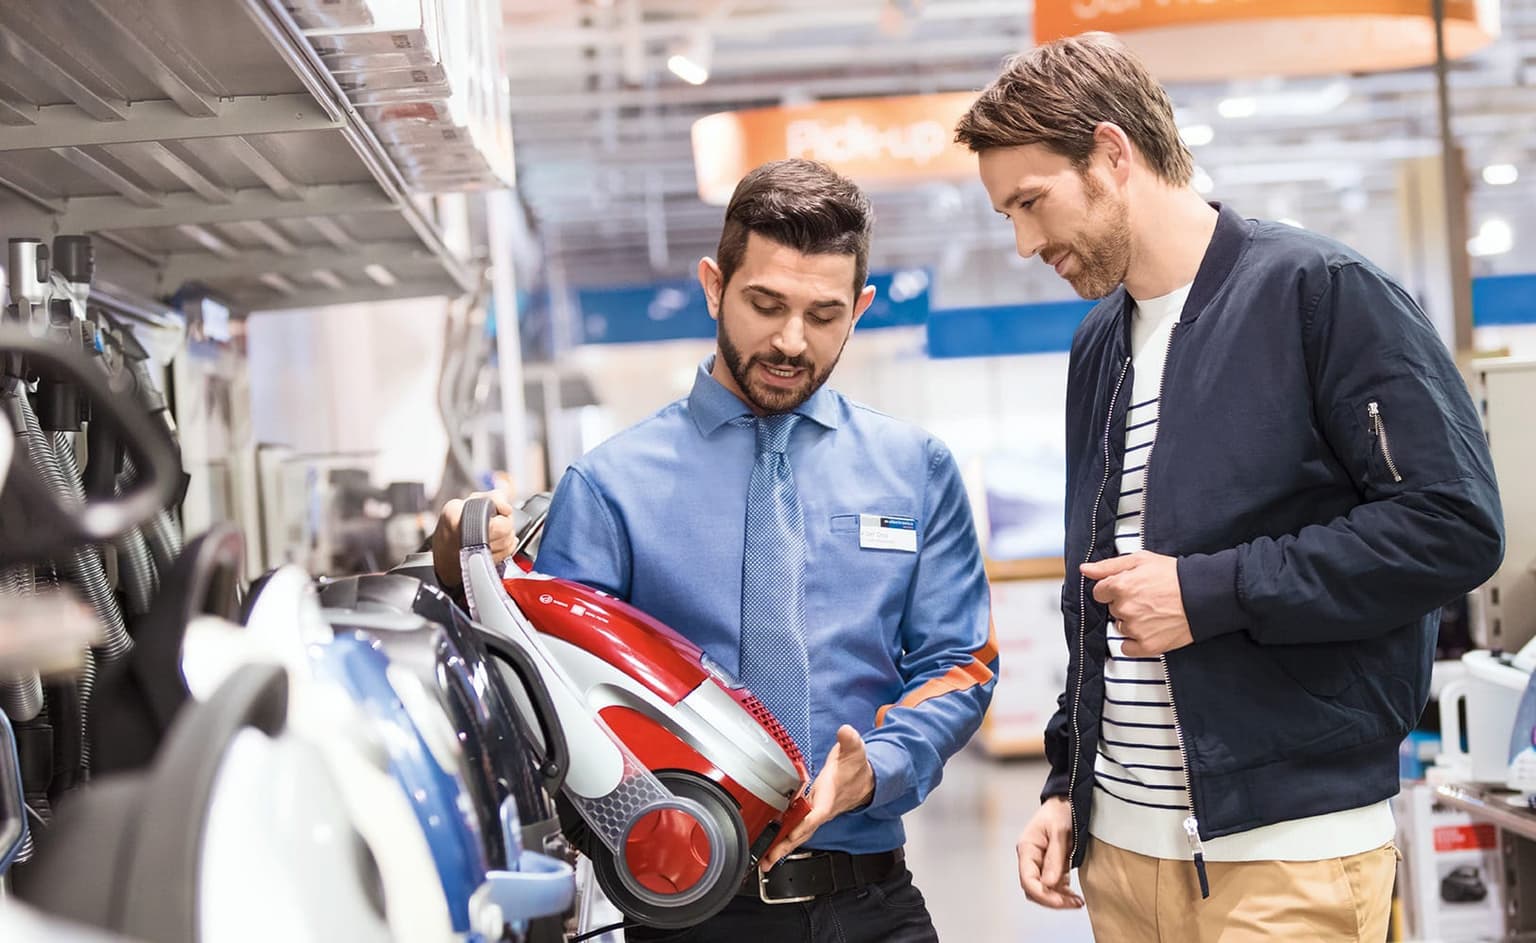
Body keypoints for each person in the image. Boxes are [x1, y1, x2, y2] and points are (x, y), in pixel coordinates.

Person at [954, 33, 1504, 943]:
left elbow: (1451, 525)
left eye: (1031, 203)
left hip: (1288, 853)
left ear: (1111, 154)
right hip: (1120, 861)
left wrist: (1211, 591)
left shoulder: (1322, 293)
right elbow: (1098, 596)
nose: (1021, 242)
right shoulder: (1099, 345)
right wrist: (1068, 782)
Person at [430, 158, 996, 943]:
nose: (792, 341)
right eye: (765, 304)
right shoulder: (609, 485)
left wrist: (885, 760)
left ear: (860, 307)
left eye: (825, 314)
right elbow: (547, 696)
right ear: (713, 286)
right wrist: (468, 574)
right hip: (688, 907)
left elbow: (960, 661)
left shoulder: (915, 468)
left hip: (871, 901)